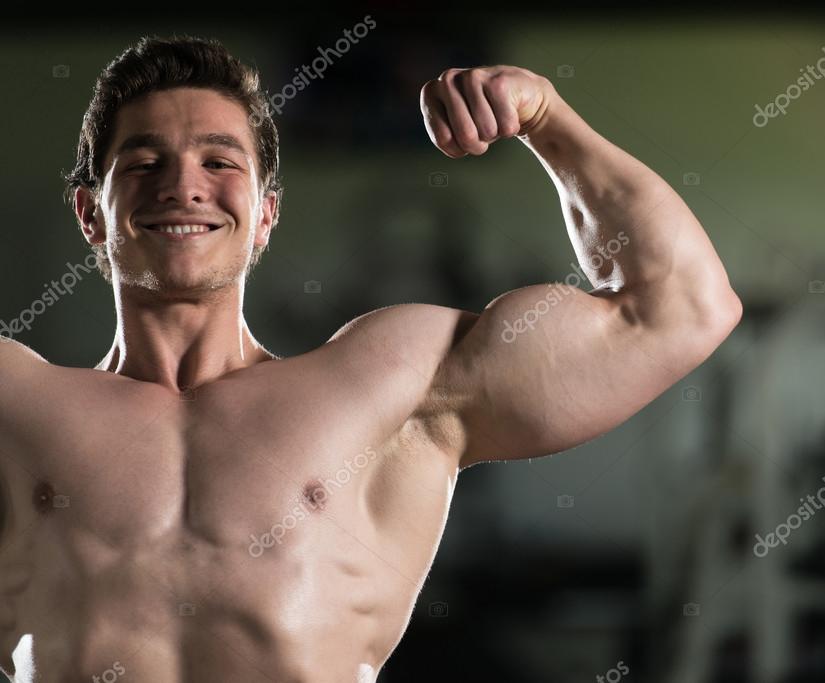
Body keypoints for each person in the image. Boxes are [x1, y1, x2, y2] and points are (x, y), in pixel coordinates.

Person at [0, 35, 741, 682]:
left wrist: (548, 120)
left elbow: (677, 309)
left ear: (266, 213)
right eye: (143, 162)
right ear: (90, 213)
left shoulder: (386, 381)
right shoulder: (17, 406)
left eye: (219, 160)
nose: (181, 184)